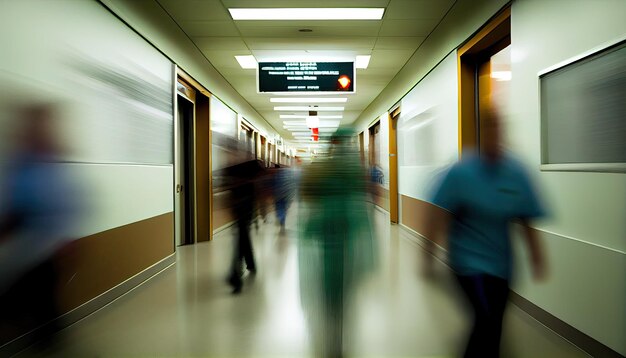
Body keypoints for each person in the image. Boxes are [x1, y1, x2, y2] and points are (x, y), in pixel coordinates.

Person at [422, 112, 547, 358]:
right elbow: (437, 214)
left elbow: (526, 217)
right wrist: (427, 254)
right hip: (467, 264)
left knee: (495, 321)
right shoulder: (461, 172)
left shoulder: (516, 172)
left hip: (502, 265)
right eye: (488, 128)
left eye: (498, 128)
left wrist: (536, 254)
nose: (494, 134)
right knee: (485, 318)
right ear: (480, 134)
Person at [298, 128, 376, 357]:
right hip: (340, 243)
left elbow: (308, 200)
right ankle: (335, 340)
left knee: (334, 296)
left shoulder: (321, 170)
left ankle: (334, 339)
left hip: (336, 244)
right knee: (337, 296)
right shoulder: (353, 172)